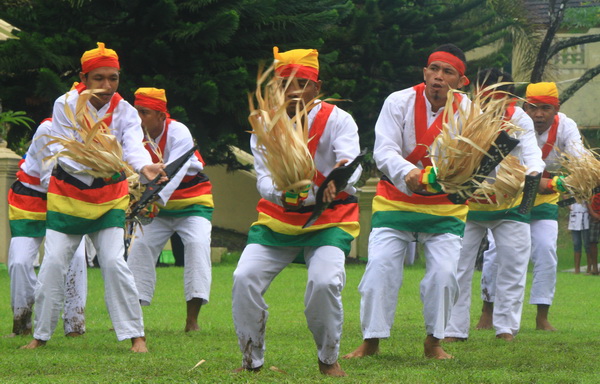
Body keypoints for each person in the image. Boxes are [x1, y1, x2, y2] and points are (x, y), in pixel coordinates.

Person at [21, 42, 166, 352]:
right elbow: (64, 150)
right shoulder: (66, 103)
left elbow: (132, 145)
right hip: (68, 196)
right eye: (99, 78)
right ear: (84, 77)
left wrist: (144, 166)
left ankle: (136, 335)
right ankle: (40, 335)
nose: (107, 85)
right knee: (53, 263)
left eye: (113, 78)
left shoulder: (124, 109)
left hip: (108, 197)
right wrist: (101, 160)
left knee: (114, 262)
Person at [232, 47, 362, 376]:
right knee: (243, 277)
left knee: (324, 282)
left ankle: (328, 359)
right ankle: (251, 360)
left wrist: (339, 181)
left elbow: (351, 165)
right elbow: (263, 177)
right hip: (278, 218)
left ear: (316, 88)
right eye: (285, 83)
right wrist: (285, 192)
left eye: (301, 83)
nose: (292, 90)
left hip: (329, 219)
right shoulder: (264, 123)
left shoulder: (338, 120)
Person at [343, 44, 471, 360]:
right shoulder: (398, 101)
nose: (439, 77)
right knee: (380, 268)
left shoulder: (470, 112)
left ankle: (434, 341)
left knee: (443, 274)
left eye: (448, 72)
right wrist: (408, 172)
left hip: (445, 208)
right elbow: (384, 150)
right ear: (425, 72)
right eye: (434, 69)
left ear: (460, 80)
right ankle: (371, 340)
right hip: (395, 202)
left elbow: (475, 158)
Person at [443, 69, 544, 342]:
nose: (496, 106)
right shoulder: (462, 113)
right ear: (478, 94)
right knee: (458, 266)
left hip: (509, 205)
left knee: (513, 265)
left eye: (502, 99)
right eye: (489, 98)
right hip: (469, 204)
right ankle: (454, 329)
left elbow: (532, 151)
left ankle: (506, 328)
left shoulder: (519, 116)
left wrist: (534, 170)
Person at [478, 81, 585, 331]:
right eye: (533, 107)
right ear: (525, 106)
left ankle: (542, 315)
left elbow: (579, 155)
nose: (538, 114)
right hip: (510, 197)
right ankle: (487, 311)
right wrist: (537, 181)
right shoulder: (511, 123)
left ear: (556, 108)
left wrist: (588, 172)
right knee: (495, 253)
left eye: (545, 108)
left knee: (547, 251)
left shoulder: (566, 126)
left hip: (545, 200)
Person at [127, 87, 213, 332]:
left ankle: (192, 320)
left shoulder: (178, 132)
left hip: (192, 202)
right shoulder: (133, 134)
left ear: (161, 116)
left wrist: (150, 202)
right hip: (154, 204)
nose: (139, 118)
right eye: (136, 112)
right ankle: (132, 319)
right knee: (140, 250)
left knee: (197, 247)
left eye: (144, 112)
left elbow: (173, 173)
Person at [7, 118, 88, 338]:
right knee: (19, 261)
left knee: (78, 260)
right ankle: (22, 324)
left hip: (68, 198)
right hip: (31, 197)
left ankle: (75, 326)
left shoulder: (96, 132)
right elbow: (47, 178)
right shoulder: (48, 128)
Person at [568, 203, 591, 274]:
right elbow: (570, 206)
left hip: (585, 217)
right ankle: (577, 269)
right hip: (575, 218)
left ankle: (589, 268)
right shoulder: (572, 193)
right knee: (576, 243)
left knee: (587, 244)